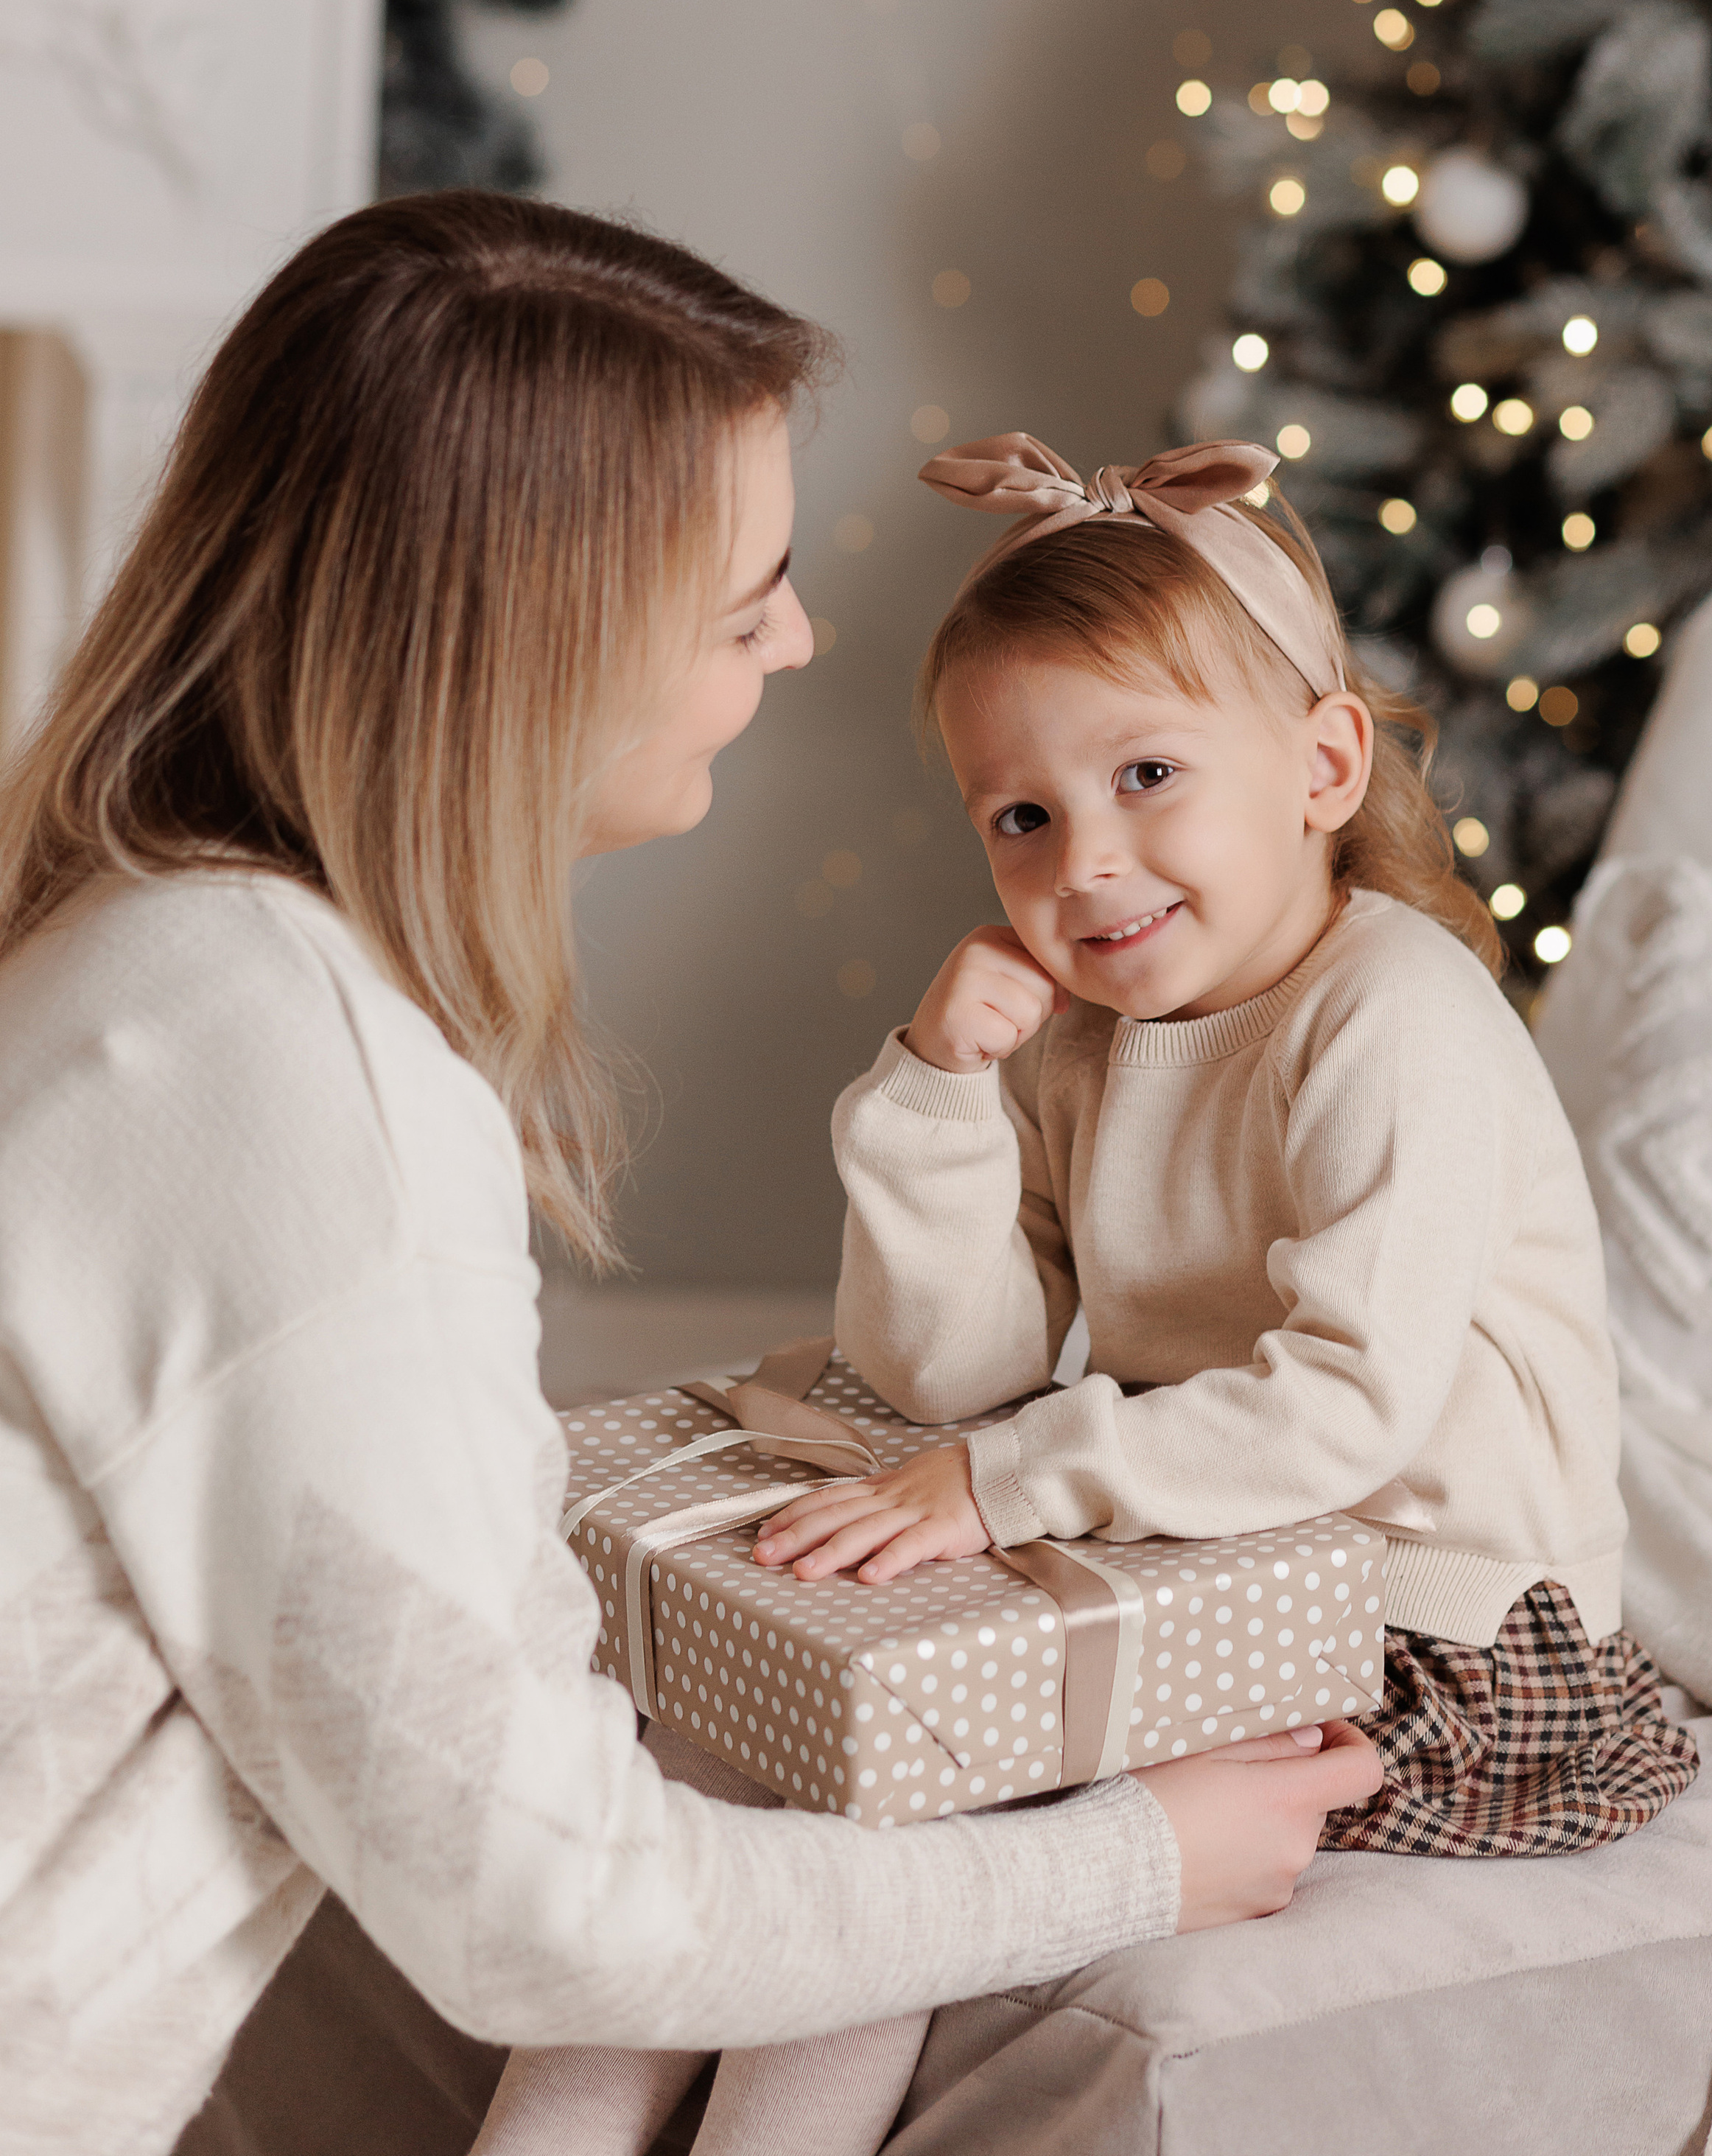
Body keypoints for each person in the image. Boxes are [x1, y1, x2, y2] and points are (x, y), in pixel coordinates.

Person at [0, 204, 1382, 2156]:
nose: (804, 640)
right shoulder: (311, 1096)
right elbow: (559, 1915)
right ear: (540, 656)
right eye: (750, 606)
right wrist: (1142, 1857)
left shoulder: (131, 951)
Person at [757, 431, 1700, 1858]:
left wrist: (1008, 1485)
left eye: (1145, 773)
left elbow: (1343, 1407)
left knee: (966, 1790)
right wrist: (939, 1094)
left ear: (1321, 767)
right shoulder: (1077, 1033)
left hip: (1442, 1624)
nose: (1078, 863)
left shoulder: (1391, 1019)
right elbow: (950, 1375)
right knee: (829, 1702)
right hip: (1237, 1570)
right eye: (1021, 815)